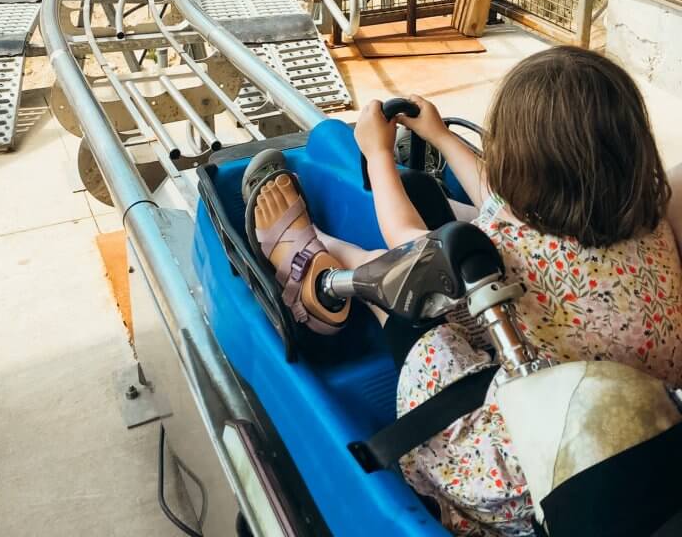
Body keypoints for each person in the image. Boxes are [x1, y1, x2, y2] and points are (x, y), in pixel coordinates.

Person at [249, 47, 682, 536]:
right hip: (639, 431)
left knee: (413, 301)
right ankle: (329, 248)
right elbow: (498, 202)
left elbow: (408, 245)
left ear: (519, 161)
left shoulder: (514, 245)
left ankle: (329, 269)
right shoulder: (653, 222)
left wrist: (377, 155)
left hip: (533, 467)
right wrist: (440, 135)